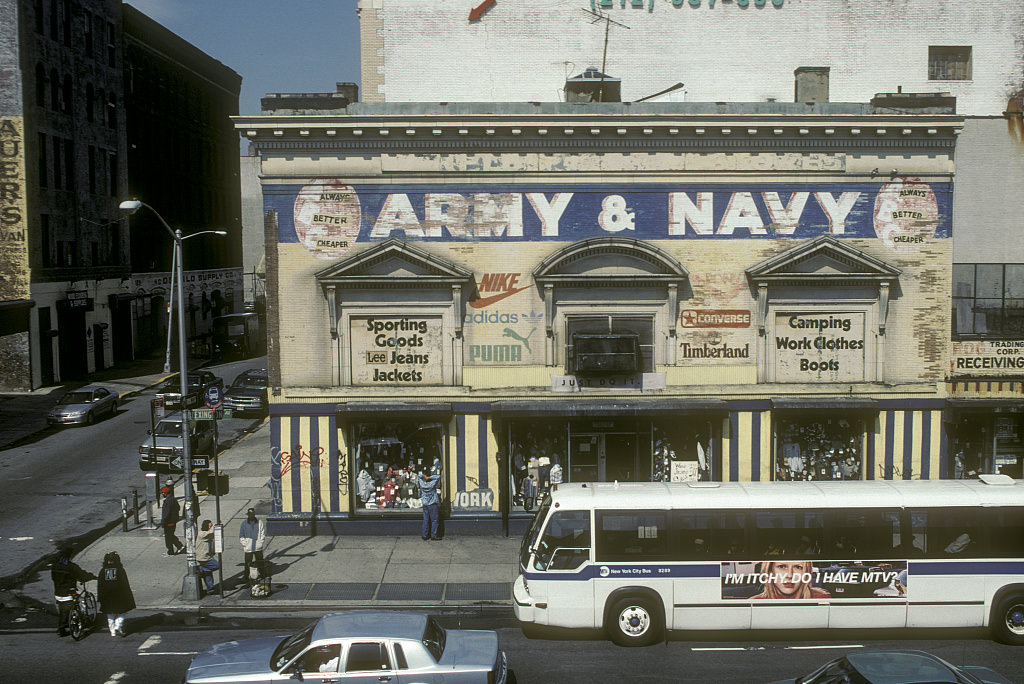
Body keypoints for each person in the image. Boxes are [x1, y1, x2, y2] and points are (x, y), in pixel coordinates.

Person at [51, 544, 95, 637]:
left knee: (63, 609)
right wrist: (91, 576)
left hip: (58, 593)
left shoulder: (55, 566)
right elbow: (82, 575)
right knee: (79, 598)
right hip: (69, 593)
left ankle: (62, 628)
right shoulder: (71, 566)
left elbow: (53, 578)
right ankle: (81, 619)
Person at [96, 551, 135, 637]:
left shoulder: (103, 571)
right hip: (119, 594)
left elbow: (100, 585)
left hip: (106, 595)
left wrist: (100, 597)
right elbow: (125, 583)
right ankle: (118, 625)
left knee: (109, 613)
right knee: (123, 611)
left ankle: (112, 630)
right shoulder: (120, 570)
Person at [752, 560, 830, 600]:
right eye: (782, 567)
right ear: (770, 571)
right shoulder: (755, 603)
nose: (790, 575)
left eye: (798, 567)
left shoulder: (821, 599)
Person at [239, 508, 266, 579]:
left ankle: (263, 575)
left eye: (253, 514)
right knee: (248, 563)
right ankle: (246, 576)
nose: (252, 516)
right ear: (248, 515)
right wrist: (244, 543)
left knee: (260, 562)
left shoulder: (259, 522)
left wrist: (260, 542)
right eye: (250, 514)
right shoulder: (244, 523)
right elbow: (241, 535)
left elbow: (262, 533)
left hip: (257, 546)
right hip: (248, 547)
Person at [195, 519, 220, 596]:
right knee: (217, 565)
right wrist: (215, 524)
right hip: (203, 557)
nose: (211, 527)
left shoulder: (206, 535)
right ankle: (201, 570)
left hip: (206, 556)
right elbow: (211, 532)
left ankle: (210, 589)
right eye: (210, 525)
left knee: (208, 572)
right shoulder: (202, 534)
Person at [418, 469, 442, 540]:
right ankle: (433, 535)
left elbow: (418, 476)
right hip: (432, 504)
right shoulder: (432, 484)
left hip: (425, 504)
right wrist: (429, 478)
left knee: (426, 520)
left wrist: (423, 476)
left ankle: (424, 535)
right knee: (434, 520)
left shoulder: (422, 483)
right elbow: (438, 477)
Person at [160, 487, 184, 557]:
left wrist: (163, 521)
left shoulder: (167, 501)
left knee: (168, 537)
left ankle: (171, 551)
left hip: (168, 522)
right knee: (171, 535)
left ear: (165, 493)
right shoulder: (173, 499)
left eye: (163, 493)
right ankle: (179, 546)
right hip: (173, 521)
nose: (162, 494)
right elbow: (178, 507)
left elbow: (166, 513)